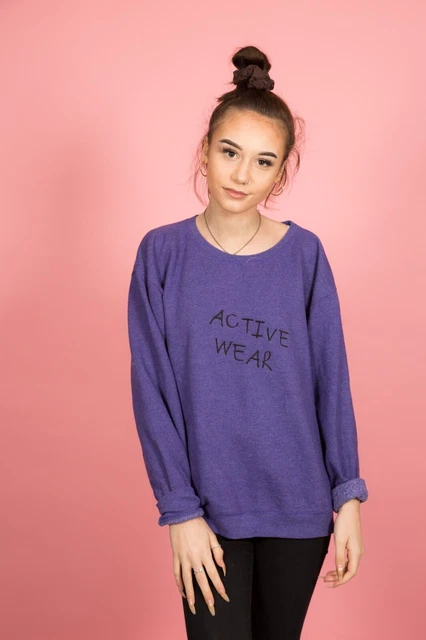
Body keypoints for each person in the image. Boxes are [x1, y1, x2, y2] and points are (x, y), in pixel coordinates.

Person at [127, 45, 368, 640]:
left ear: (280, 172)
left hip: (299, 507)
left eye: (263, 162)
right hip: (207, 510)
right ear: (204, 151)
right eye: (229, 152)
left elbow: (331, 379)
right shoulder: (161, 254)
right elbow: (152, 390)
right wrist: (179, 510)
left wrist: (348, 496)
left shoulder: (304, 255)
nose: (241, 175)